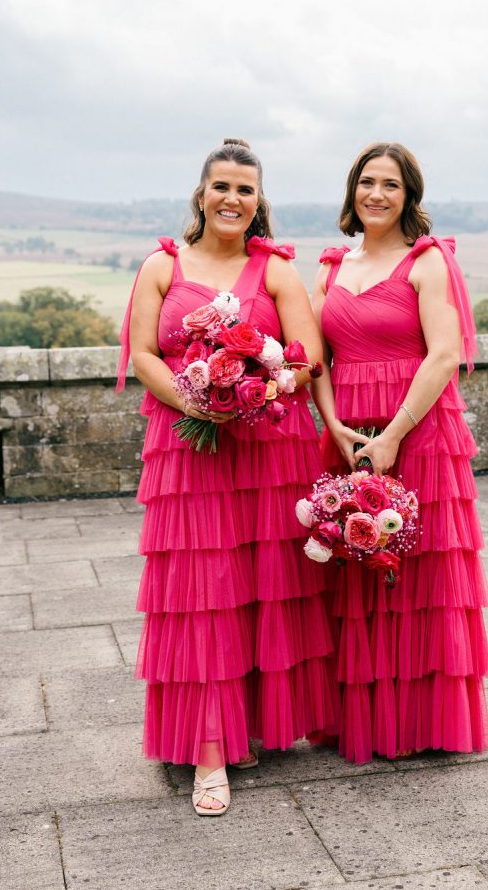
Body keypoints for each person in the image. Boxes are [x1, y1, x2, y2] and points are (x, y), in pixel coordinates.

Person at [118, 139, 337, 815]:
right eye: (221, 187)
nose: (232, 199)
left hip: (266, 451)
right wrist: (197, 399)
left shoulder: (273, 271)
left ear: (258, 200)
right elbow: (143, 352)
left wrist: (259, 386)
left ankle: (254, 725)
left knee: (260, 588)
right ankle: (208, 752)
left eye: (245, 189)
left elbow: (309, 357)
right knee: (201, 593)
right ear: (200, 194)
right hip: (190, 454)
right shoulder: (162, 264)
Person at [311, 141, 488, 763]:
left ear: (409, 195)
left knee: (418, 570)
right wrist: (333, 425)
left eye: (391, 184)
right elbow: (315, 359)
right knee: (353, 570)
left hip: (415, 429)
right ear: (352, 191)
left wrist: (393, 435)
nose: (377, 195)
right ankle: (360, 716)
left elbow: (443, 354)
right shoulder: (332, 265)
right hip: (349, 431)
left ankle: (420, 722)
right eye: (367, 182)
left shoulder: (427, 261)